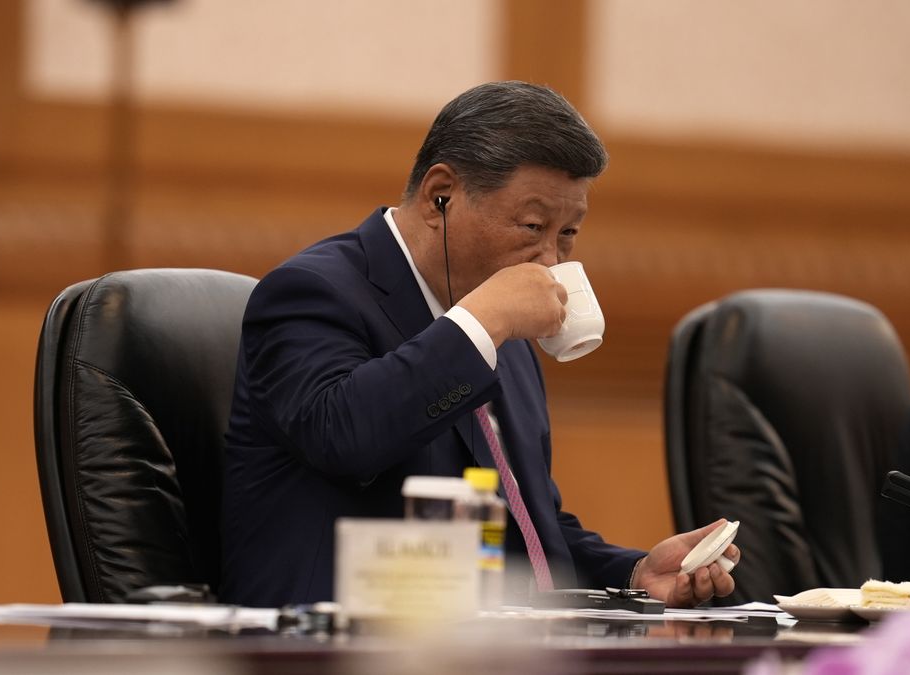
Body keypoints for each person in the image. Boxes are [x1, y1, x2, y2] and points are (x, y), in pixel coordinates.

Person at [221, 81, 740, 608]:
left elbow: (528, 526)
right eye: (533, 225)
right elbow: (345, 437)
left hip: (484, 644)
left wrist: (634, 573)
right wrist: (481, 321)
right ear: (438, 195)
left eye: (568, 233)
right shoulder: (313, 292)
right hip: (325, 645)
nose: (551, 262)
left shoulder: (498, 330)